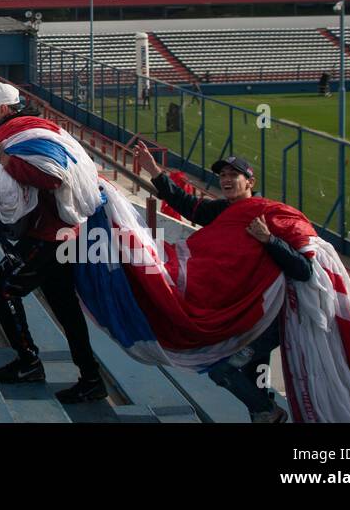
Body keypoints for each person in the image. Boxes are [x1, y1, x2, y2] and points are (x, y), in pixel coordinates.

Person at [131, 142, 311, 422]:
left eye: (233, 175)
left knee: (221, 368)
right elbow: (189, 206)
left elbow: (303, 270)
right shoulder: (225, 212)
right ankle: (265, 411)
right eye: (222, 175)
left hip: (274, 317)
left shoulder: (271, 215)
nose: (225, 180)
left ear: (250, 181)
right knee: (255, 376)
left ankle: (269, 413)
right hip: (246, 315)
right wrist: (155, 172)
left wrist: (269, 240)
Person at [0, 82, 108, 404]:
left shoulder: (20, 132)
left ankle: (29, 362)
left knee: (3, 286)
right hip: (63, 232)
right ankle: (91, 379)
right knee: (64, 305)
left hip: (47, 235)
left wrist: (4, 159)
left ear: (4, 109)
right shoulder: (39, 128)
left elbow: (52, 177)